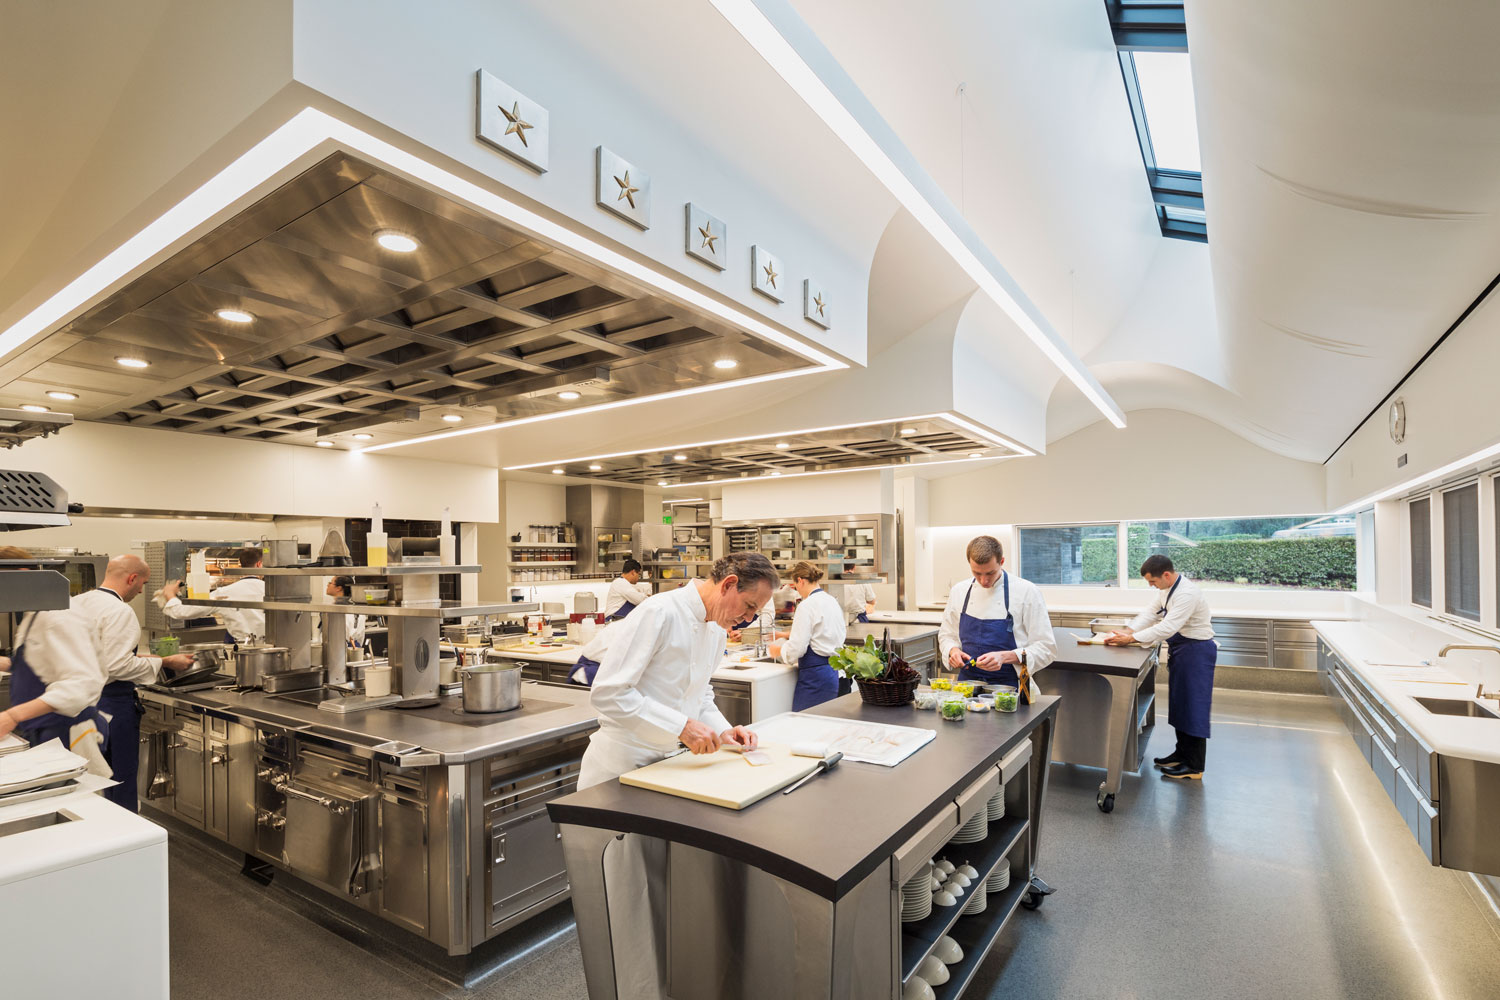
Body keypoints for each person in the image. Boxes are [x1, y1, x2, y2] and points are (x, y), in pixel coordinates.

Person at [579, 551, 775, 999]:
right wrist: (680, 727)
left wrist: (726, 731)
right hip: (620, 774)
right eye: (748, 608)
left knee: (661, 902)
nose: (747, 619)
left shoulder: (713, 630)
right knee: (628, 904)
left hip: (665, 772)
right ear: (728, 585)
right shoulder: (658, 613)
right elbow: (608, 694)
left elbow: (698, 694)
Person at [72, 554, 195, 811]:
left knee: (86, 777)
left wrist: (156, 658)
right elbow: (116, 665)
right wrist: (164, 663)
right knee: (120, 777)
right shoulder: (120, 611)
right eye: (143, 583)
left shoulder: (77, 602)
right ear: (132, 578)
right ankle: (126, 837)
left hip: (76, 703)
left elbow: (100, 654)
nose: (141, 590)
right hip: (110, 704)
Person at [1106, 555, 1217, 780]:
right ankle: (1181, 753)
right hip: (1183, 651)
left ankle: (1194, 766)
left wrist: (1132, 639)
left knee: (1193, 707)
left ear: (1166, 575)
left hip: (1196, 652)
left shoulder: (1187, 593)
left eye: (1153, 581)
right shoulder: (1167, 590)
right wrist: (1128, 631)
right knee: (1180, 705)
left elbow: (1168, 627)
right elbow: (1150, 613)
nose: (1151, 586)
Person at [0, 546, 108, 764]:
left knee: (76, 796)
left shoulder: (58, 615)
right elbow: (42, 664)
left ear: (18, 575)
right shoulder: (35, 611)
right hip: (43, 728)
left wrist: (12, 716)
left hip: (67, 732)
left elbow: (79, 684)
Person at [938, 535, 1056, 695]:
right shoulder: (959, 591)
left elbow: (1046, 648)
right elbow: (947, 635)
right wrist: (953, 651)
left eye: (990, 573)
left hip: (1015, 685)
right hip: (967, 687)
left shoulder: (1027, 591)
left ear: (1002, 562)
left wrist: (1006, 657)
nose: (984, 580)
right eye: (976, 573)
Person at [771, 561, 847, 711]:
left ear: (800, 580)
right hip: (833, 673)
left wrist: (778, 651)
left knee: (806, 724)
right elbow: (822, 633)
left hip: (816, 677)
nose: (797, 590)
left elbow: (797, 648)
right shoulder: (831, 601)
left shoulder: (806, 606)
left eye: (796, 585)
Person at [160, 547, 266, 644]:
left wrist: (170, 594)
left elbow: (182, 612)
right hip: (270, 648)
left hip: (240, 650)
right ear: (259, 564)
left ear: (240, 564)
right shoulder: (273, 592)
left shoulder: (224, 593)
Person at [321, 576, 367, 646]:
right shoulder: (333, 608)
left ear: (338, 588)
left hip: (343, 651)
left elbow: (351, 640)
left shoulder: (350, 612)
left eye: (330, 583)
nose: (328, 585)